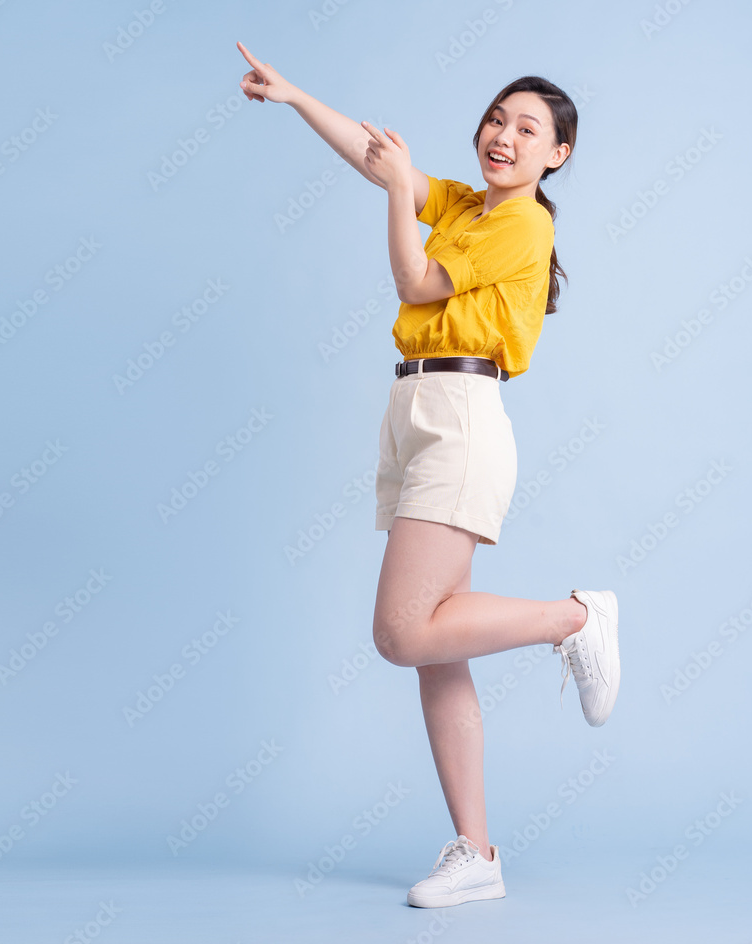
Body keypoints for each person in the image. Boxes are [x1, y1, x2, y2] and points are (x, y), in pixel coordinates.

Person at [236, 40, 621, 909]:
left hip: (460, 419)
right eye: (497, 118)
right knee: (437, 648)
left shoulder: (520, 222)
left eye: (529, 129)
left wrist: (406, 187)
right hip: (414, 415)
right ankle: (475, 851)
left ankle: (577, 617)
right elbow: (382, 169)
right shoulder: (473, 208)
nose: (505, 135)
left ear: (557, 154)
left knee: (403, 632)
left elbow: (415, 281)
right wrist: (298, 97)